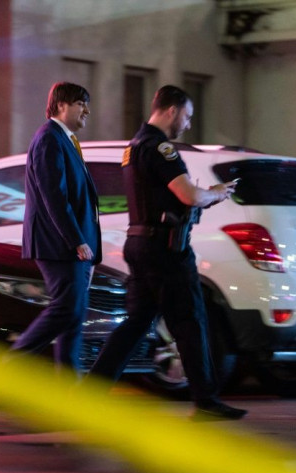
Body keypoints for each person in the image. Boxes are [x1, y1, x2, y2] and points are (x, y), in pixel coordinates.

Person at [87, 85, 247, 420]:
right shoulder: (159, 148)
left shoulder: (135, 147)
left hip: (141, 244)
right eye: (187, 116)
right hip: (166, 248)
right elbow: (188, 195)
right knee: (190, 321)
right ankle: (206, 401)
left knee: (137, 322)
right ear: (171, 111)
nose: (187, 124)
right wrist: (216, 193)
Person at [9, 81, 101, 371]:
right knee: (67, 309)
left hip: (72, 246)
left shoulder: (65, 139)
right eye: (80, 103)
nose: (87, 109)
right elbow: (54, 195)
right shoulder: (49, 138)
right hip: (58, 245)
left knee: (73, 316)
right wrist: (77, 240)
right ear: (61, 105)